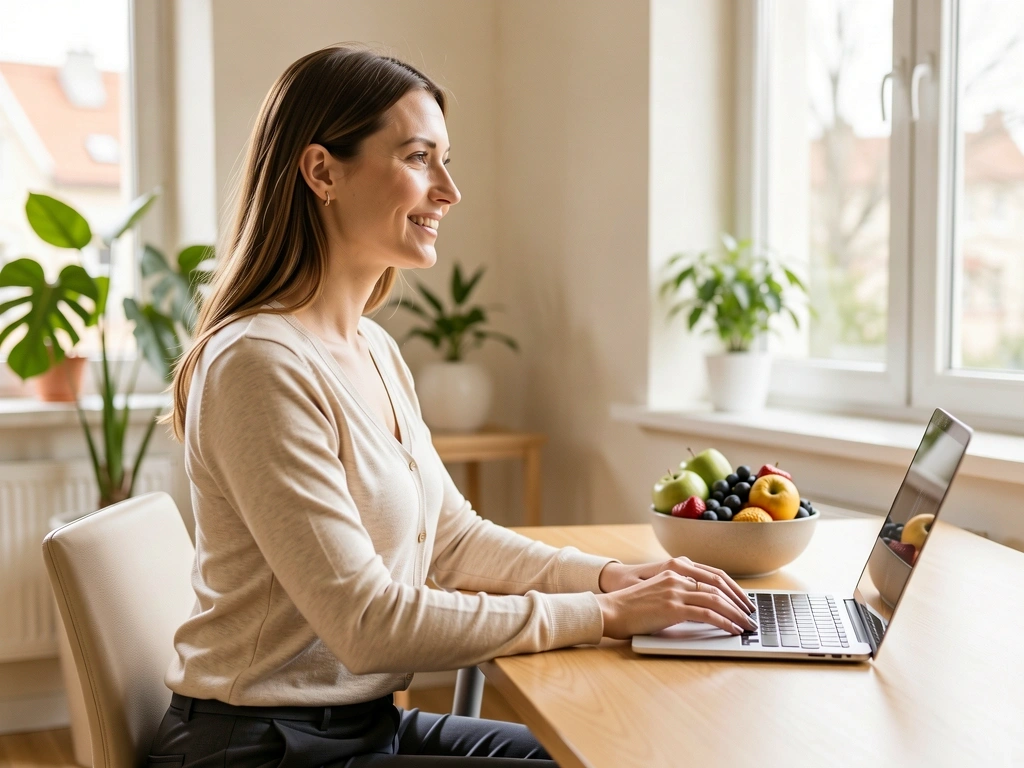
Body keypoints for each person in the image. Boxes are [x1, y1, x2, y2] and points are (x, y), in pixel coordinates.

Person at [147, 44, 757, 768]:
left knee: (606, 751)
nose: (449, 190)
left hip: (362, 724)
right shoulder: (258, 364)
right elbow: (368, 623)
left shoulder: (373, 347)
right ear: (321, 172)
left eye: (445, 159)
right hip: (259, 747)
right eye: (418, 158)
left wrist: (606, 579)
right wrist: (604, 616)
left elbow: (455, 540)